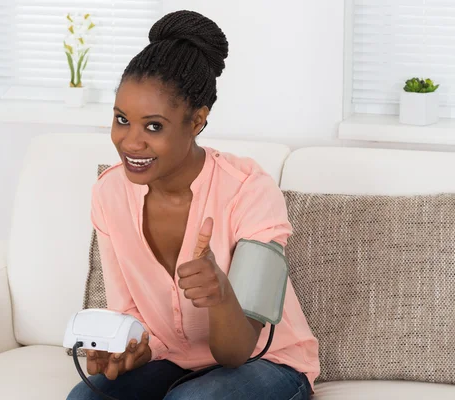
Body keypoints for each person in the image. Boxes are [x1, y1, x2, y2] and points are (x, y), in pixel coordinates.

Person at [67, 10, 319, 400]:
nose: (131, 142)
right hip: (172, 360)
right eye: (122, 119)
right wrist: (129, 350)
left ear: (197, 120)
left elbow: (236, 352)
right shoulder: (109, 193)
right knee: (84, 398)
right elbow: (131, 312)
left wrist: (220, 294)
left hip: (268, 365)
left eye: (154, 126)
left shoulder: (250, 191)